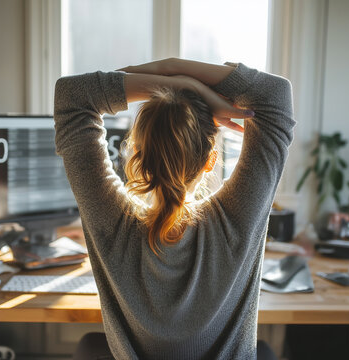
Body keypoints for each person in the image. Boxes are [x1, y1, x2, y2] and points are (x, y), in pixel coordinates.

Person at [54, 58, 295, 360]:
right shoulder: (238, 218)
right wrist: (178, 73)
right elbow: (275, 94)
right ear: (210, 160)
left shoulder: (111, 222)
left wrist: (175, 82)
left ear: (138, 158)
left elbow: (72, 96)